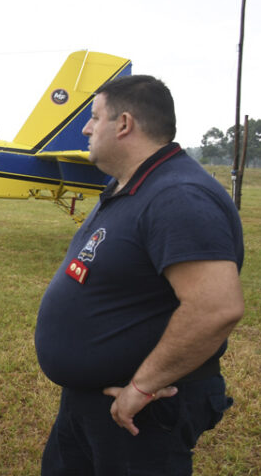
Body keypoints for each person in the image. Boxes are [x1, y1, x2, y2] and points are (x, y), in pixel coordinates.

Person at [34, 75, 245, 475]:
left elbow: (216, 307)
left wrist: (142, 387)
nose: (86, 127)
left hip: (140, 410)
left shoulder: (177, 195)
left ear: (125, 124)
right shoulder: (131, 185)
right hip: (92, 400)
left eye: (94, 117)